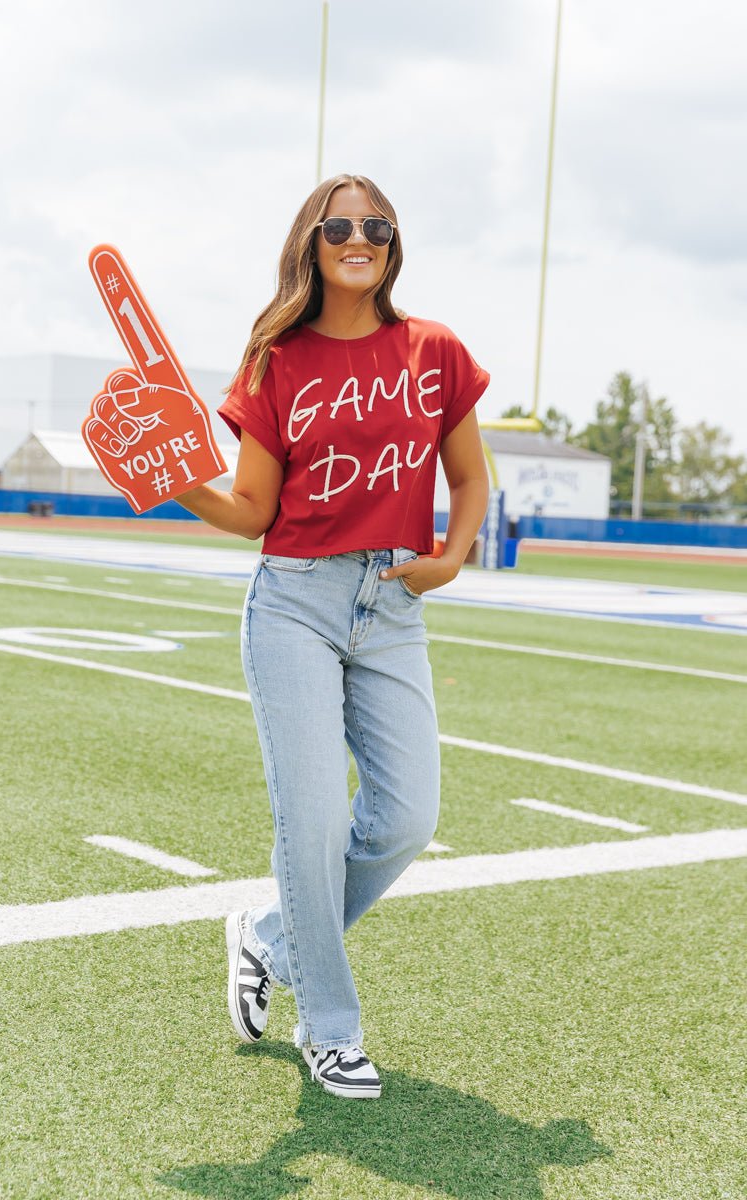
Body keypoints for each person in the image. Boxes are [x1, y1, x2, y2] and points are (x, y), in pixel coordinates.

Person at [179, 173, 490, 1100]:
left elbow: (471, 481)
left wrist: (453, 557)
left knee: (406, 819)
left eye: (379, 225)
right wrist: (174, 479)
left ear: (394, 243)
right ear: (310, 244)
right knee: (311, 824)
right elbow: (249, 512)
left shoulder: (434, 351)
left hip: (394, 603)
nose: (362, 238)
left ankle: (267, 940)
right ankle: (332, 1028)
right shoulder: (278, 359)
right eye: (342, 225)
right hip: (296, 603)